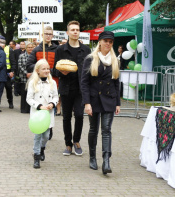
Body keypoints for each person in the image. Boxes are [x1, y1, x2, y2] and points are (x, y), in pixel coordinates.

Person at [81, 31, 121, 175]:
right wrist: (86, 103)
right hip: (93, 100)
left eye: (110, 42)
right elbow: (84, 83)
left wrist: (118, 103)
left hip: (109, 99)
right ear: (100, 42)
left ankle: (106, 160)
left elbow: (117, 83)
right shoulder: (90, 59)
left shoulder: (115, 60)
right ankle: (92, 157)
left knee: (106, 130)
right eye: (106, 41)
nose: (108, 44)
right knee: (93, 129)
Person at [53, 20, 91, 156]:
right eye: (72, 30)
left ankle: (77, 141)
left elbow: (89, 70)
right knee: (66, 117)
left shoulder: (86, 50)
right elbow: (54, 70)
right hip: (66, 88)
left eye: (77, 29)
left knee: (80, 115)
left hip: (81, 89)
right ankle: (68, 144)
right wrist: (61, 72)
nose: (75, 32)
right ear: (68, 32)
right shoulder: (60, 49)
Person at [27, 26, 59, 140]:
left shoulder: (57, 49)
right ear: (42, 35)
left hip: (53, 82)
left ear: (52, 35)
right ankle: (40, 126)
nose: (48, 36)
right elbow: (29, 65)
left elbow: (59, 66)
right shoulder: (36, 50)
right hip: (39, 83)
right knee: (41, 105)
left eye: (50, 34)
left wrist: (51, 70)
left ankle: (49, 127)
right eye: (46, 33)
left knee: (51, 105)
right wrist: (40, 68)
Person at [26, 59, 59, 169]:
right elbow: (29, 99)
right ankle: (36, 156)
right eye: (43, 69)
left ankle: (42, 148)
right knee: (37, 136)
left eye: (48, 69)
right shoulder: (33, 83)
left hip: (48, 113)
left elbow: (56, 96)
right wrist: (39, 106)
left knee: (46, 136)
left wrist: (52, 104)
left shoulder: (52, 82)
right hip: (37, 114)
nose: (46, 71)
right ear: (37, 70)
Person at [18, 42, 33, 113]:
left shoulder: (34, 56)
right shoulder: (21, 56)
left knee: (31, 93)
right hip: (24, 77)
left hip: (33, 77)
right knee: (24, 93)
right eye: (29, 47)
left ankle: (30, 109)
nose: (30, 49)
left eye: (31, 47)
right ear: (26, 48)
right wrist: (26, 73)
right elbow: (20, 66)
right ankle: (23, 109)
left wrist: (32, 74)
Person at [2, 36, 16, 109]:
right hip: (0, 71)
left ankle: (10, 102)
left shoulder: (9, 50)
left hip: (7, 72)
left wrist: (12, 72)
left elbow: (13, 62)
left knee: (8, 88)